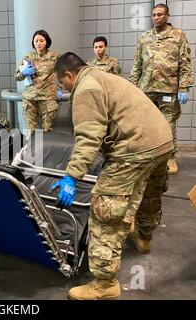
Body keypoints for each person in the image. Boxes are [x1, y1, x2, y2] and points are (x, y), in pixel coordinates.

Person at [53, 52, 173, 300]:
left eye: (62, 83)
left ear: (69, 75)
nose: (63, 89)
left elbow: (88, 139)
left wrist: (71, 178)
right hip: (161, 142)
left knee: (106, 211)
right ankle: (144, 235)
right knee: (145, 193)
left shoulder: (85, 88)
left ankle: (104, 283)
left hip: (134, 149)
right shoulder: (104, 77)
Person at [129, 4, 193, 174]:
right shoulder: (144, 37)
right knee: (145, 124)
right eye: (154, 15)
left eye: (160, 15)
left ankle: (170, 158)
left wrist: (184, 88)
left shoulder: (178, 36)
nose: (156, 18)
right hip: (146, 89)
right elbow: (137, 65)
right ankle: (148, 155)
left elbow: (185, 64)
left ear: (167, 16)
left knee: (168, 124)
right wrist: (132, 87)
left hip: (168, 89)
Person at [15, 30, 59, 134]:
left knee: (47, 131)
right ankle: (32, 150)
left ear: (47, 41)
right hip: (30, 98)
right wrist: (24, 73)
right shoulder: (28, 57)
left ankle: (47, 150)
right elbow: (16, 77)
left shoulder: (54, 56)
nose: (38, 43)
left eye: (41, 40)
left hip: (47, 98)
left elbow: (64, 71)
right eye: (36, 41)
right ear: (33, 42)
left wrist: (60, 88)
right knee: (30, 132)